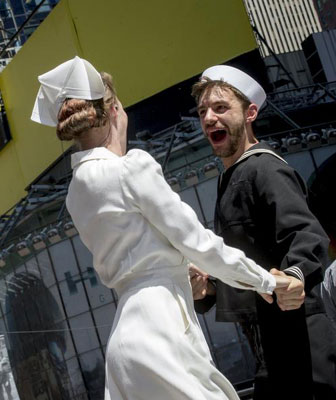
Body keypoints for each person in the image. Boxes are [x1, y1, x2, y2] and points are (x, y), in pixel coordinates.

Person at [30, 56, 292, 400]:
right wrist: (268, 281)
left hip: (124, 342)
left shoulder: (76, 194)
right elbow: (199, 243)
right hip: (160, 332)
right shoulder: (130, 168)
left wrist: (178, 265)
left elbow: (137, 253)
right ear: (113, 111)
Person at [190, 65, 336, 399]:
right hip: (268, 348)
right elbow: (242, 259)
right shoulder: (233, 178)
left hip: (300, 343)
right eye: (203, 112)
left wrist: (296, 274)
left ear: (251, 112)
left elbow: (307, 234)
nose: (209, 118)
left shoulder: (264, 167)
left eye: (221, 108)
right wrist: (206, 289)